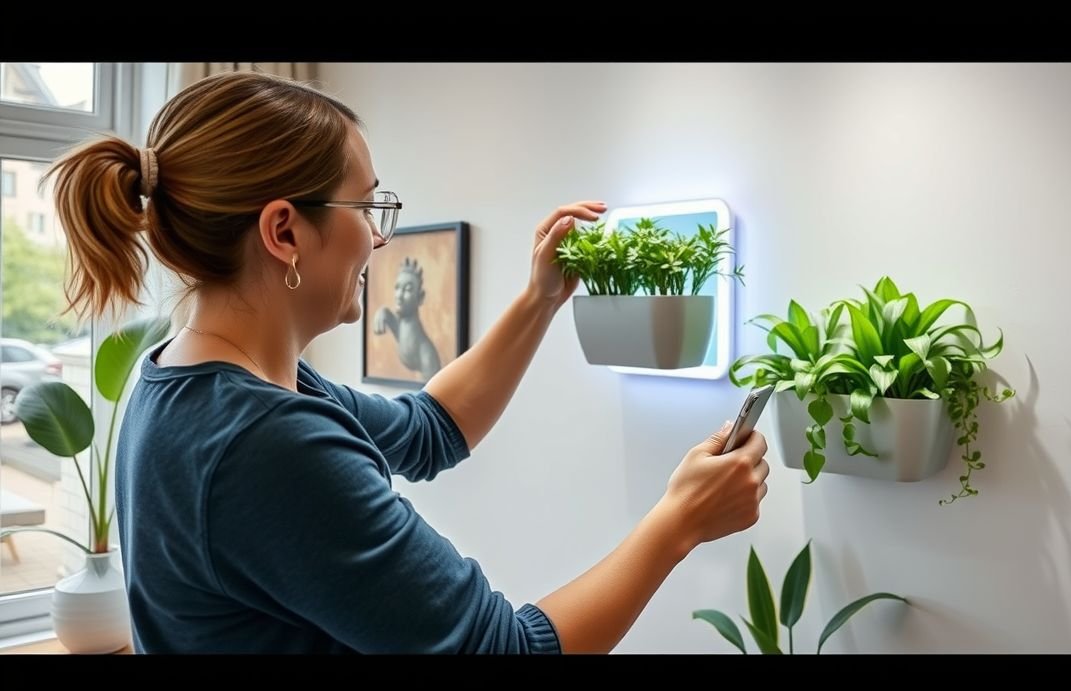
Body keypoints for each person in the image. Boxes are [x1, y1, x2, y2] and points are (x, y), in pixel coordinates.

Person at [46, 70, 769, 654]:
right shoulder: (263, 443)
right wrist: (678, 523)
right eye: (367, 207)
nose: (379, 239)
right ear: (284, 231)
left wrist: (540, 299)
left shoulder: (196, 376)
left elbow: (431, 430)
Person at [372, 257, 443, 381]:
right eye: (397, 288)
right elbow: (399, 332)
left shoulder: (426, 353)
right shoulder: (402, 325)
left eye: (408, 289)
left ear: (420, 297)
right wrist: (384, 313)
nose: (399, 295)